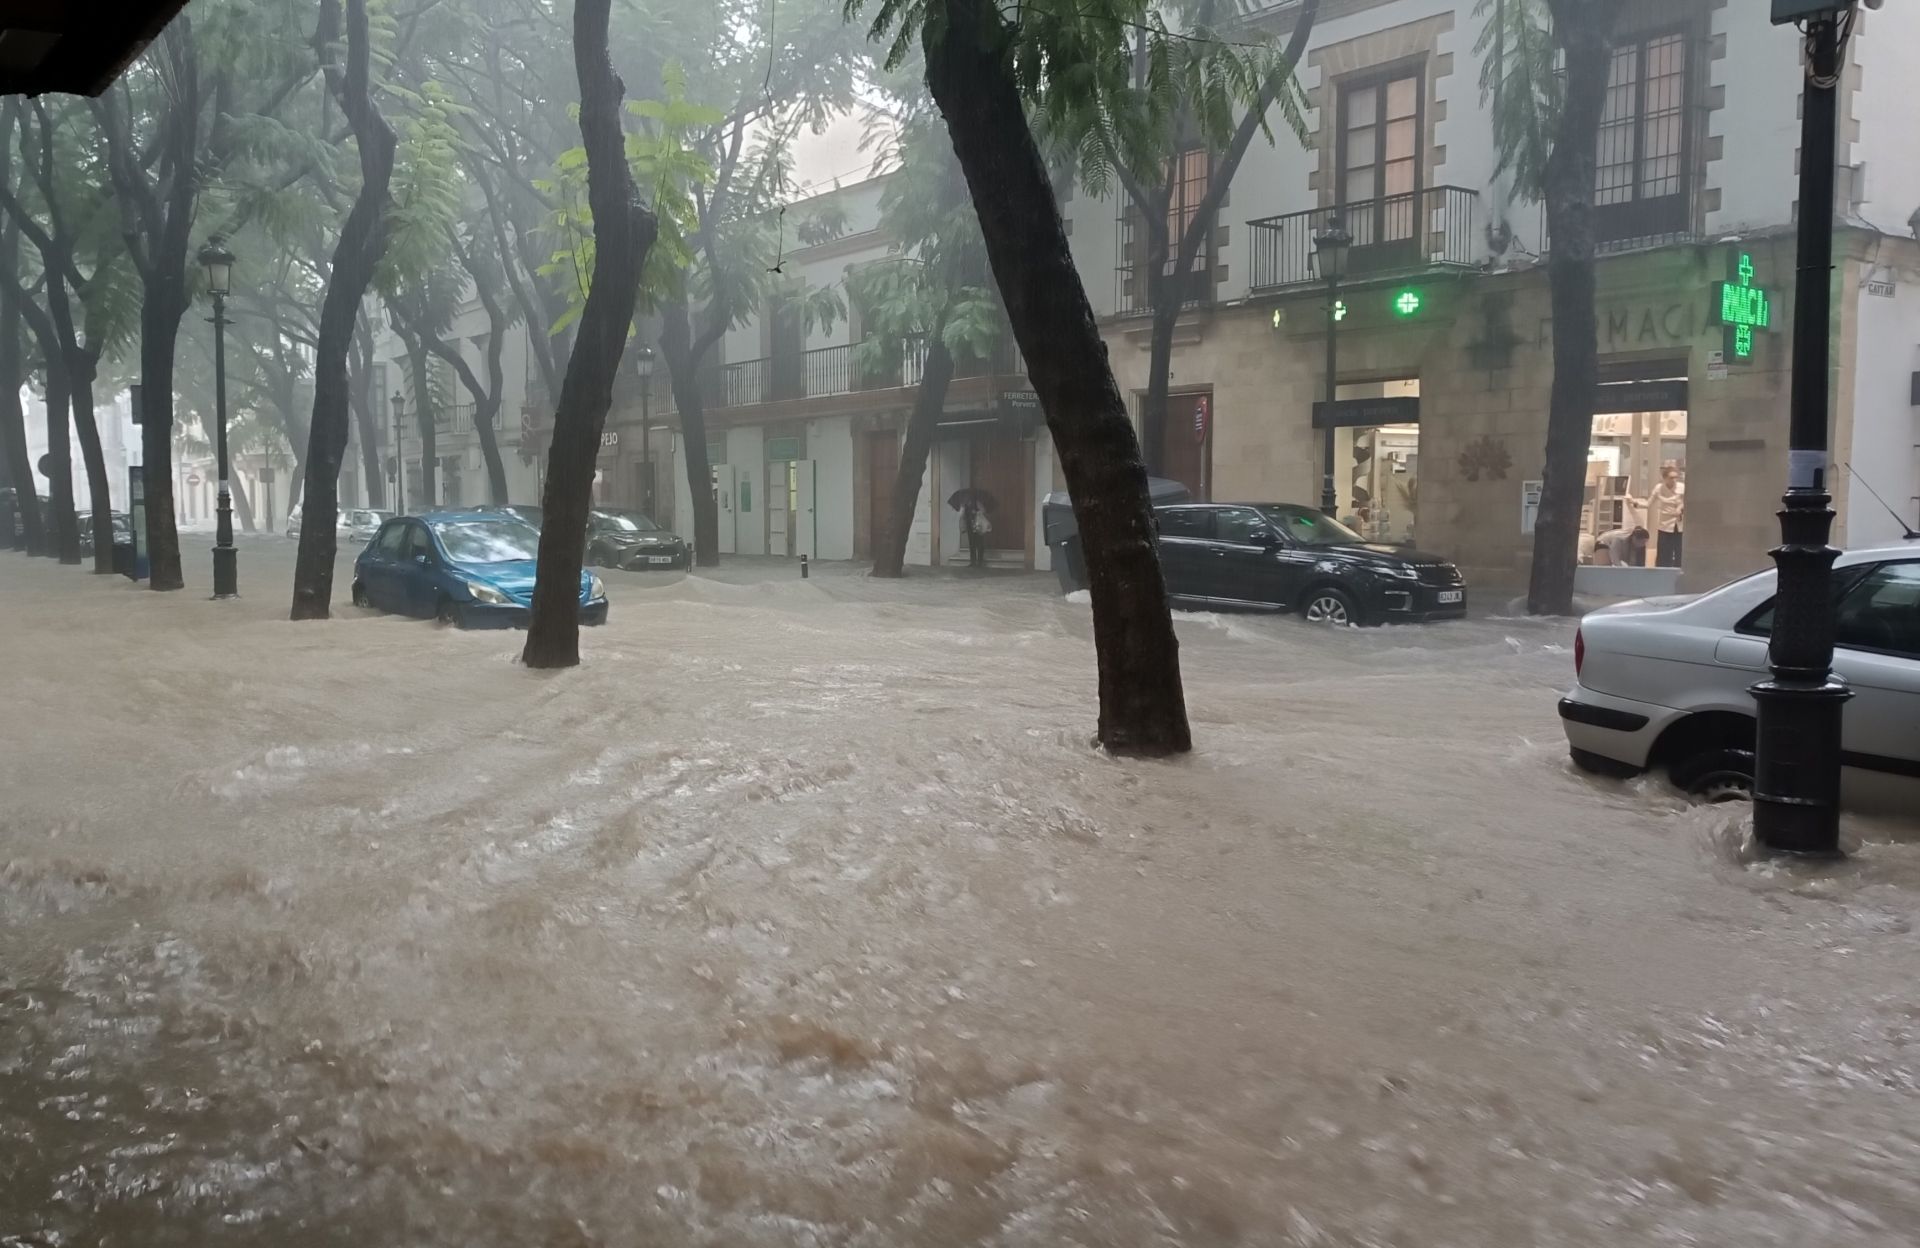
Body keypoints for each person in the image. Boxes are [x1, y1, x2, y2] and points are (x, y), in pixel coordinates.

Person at [1649, 465, 1685, 568]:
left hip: (1679, 524)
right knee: (1663, 553)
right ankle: (1661, 573)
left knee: (1679, 552)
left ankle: (1678, 573)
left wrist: (1680, 509)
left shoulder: (1682, 487)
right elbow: (1648, 503)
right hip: (1665, 525)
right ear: (1664, 478)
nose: (1674, 480)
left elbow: (1686, 501)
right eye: (1671, 478)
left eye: (1675, 477)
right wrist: (1634, 502)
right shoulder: (1659, 488)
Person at [963, 499, 992, 568]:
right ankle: (972, 562)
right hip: (970, 526)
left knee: (980, 544)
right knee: (972, 545)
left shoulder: (977, 503)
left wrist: (976, 512)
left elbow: (984, 511)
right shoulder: (965, 505)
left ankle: (980, 562)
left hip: (978, 526)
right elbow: (964, 516)